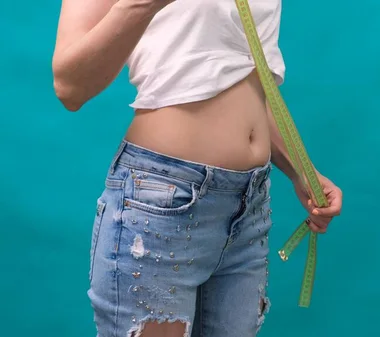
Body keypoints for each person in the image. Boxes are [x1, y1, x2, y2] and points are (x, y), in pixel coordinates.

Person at [51, 0, 343, 336]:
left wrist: (299, 168)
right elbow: (69, 88)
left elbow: (245, 76)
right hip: (162, 203)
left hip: (248, 207)